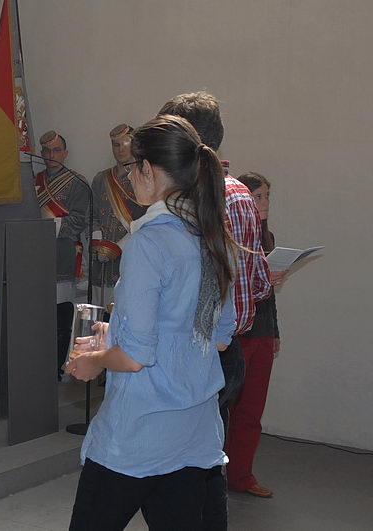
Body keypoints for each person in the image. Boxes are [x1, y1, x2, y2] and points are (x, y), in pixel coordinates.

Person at [66, 115, 237, 530]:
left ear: (148, 169)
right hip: (193, 429)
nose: (127, 177)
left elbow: (136, 357)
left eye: (131, 167)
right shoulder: (213, 235)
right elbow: (215, 338)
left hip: (140, 428)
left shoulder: (148, 241)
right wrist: (116, 333)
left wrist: (94, 361)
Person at [159, 91, 271, 530]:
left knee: (178, 465)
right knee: (208, 460)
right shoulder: (242, 194)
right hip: (229, 348)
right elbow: (258, 284)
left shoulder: (184, 199)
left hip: (189, 351)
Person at [226, 172, 286, 498]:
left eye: (267, 196)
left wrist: (274, 331)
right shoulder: (233, 233)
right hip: (236, 332)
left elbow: (269, 295)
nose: (264, 203)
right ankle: (212, 476)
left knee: (251, 409)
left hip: (261, 331)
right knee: (224, 406)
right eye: (258, 196)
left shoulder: (267, 236)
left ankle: (241, 476)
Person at [34, 130, 91, 378]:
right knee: (39, 314)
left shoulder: (78, 183)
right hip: (36, 255)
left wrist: (49, 224)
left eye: (56, 150)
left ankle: (56, 368)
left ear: (65, 153)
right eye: (46, 151)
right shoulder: (33, 180)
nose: (51, 155)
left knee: (61, 314)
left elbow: (80, 220)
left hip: (64, 253)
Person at [91, 124, 147, 309]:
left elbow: (146, 219)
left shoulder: (143, 179)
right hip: (101, 258)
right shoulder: (101, 178)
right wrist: (97, 240)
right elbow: (92, 215)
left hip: (130, 254)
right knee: (100, 309)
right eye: (116, 145)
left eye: (125, 144)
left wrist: (119, 246)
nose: (120, 149)